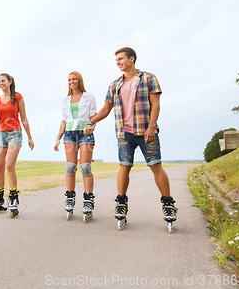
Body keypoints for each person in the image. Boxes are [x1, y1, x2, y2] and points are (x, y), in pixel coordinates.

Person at [83, 47, 177, 224]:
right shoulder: (114, 84)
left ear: (131, 59)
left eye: (120, 59)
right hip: (124, 132)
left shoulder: (149, 78)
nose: (118, 62)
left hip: (146, 131)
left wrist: (151, 127)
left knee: (156, 166)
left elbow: (155, 105)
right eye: (116, 60)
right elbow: (106, 109)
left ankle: (168, 204)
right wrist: (92, 121)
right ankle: (121, 203)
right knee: (124, 166)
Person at [0, 73, 34, 217]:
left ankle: (13, 197)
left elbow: (24, 119)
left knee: (10, 165)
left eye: (3, 81)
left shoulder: (18, 98)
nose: (0, 83)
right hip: (0, 135)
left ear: (10, 82)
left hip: (15, 134)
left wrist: (29, 137)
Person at [54, 72, 97, 220]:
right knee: (70, 166)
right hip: (69, 134)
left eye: (74, 79)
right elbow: (64, 121)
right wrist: (58, 138)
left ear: (79, 80)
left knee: (85, 167)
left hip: (85, 133)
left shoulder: (89, 96)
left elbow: (94, 118)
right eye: (69, 80)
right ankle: (70, 197)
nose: (72, 82)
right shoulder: (66, 100)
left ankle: (88, 199)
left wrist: (91, 128)